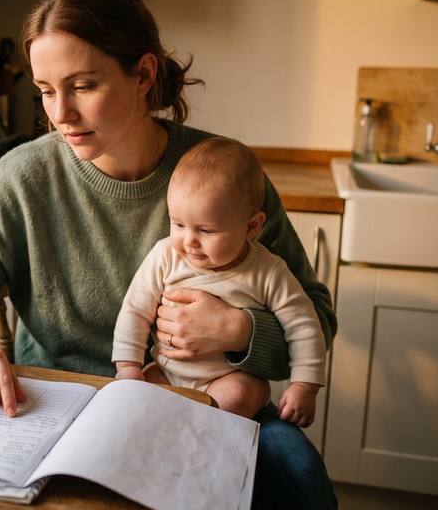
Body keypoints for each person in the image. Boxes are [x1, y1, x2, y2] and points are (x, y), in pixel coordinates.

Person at [0, 0, 338, 508]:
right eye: (45, 91)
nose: (60, 114)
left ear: (143, 75)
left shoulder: (225, 178)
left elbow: (317, 315)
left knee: (298, 473)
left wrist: (240, 330)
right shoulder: (22, 178)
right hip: (64, 412)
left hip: (214, 401)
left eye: (82, 86)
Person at [113, 136, 326, 427]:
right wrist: (128, 366)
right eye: (178, 224)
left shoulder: (269, 272)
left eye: (206, 230)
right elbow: (135, 310)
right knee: (134, 404)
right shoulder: (165, 256)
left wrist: (304, 386)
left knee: (233, 401)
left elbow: (304, 325)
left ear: (251, 226)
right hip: (168, 371)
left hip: (228, 378)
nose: (189, 241)